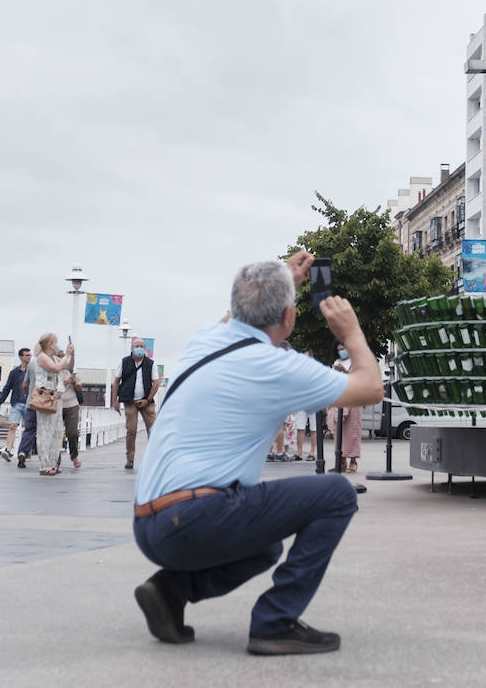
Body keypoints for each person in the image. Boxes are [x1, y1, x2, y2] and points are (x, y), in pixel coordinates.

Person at [131, 251, 382, 655]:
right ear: (289, 317)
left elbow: (235, 317)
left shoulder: (203, 341)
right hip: (192, 520)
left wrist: (281, 282)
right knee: (337, 493)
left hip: (148, 524)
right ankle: (275, 622)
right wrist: (351, 333)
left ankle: (169, 591)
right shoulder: (276, 366)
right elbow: (370, 387)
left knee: (264, 546)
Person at [31, 334, 75, 476]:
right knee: (45, 431)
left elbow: (68, 365)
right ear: (49, 344)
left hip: (56, 396)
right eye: (55, 343)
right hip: (45, 396)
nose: (56, 345)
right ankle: (44, 465)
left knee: (57, 431)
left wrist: (71, 355)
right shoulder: (42, 357)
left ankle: (52, 463)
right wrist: (66, 354)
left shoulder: (54, 358)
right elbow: (55, 368)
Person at [117, 337, 159, 470]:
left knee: (154, 429)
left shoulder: (151, 364)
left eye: (142, 346)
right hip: (130, 401)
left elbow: (156, 383)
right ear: (131, 348)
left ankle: (154, 457)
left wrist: (147, 399)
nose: (139, 348)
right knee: (131, 430)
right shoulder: (123, 362)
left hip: (147, 401)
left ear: (145, 349)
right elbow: (116, 381)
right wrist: (114, 401)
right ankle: (130, 458)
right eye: (137, 346)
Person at [328, 343, 362, 473]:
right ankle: (341, 462)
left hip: (353, 400)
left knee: (353, 432)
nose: (341, 352)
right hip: (340, 399)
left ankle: (353, 461)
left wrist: (346, 372)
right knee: (338, 432)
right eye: (339, 350)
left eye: (343, 349)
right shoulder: (336, 362)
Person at [0, 348, 30, 460]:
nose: (29, 357)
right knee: (12, 426)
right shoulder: (14, 373)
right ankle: (8, 451)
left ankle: (25, 451)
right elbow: (7, 388)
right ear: (21, 357)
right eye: (27, 355)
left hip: (30, 404)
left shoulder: (33, 372)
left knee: (29, 428)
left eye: (30, 355)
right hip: (16, 403)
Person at [58, 368, 84, 469]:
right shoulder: (53, 371)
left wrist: (74, 381)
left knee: (72, 433)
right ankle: (56, 460)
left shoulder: (72, 373)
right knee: (56, 434)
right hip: (56, 405)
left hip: (72, 405)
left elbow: (79, 387)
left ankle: (74, 456)